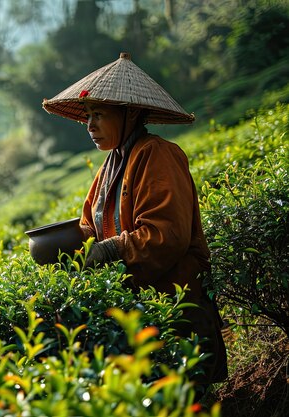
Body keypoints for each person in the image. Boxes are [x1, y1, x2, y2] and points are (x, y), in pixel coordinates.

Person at [42, 52, 228, 387]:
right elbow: (91, 225)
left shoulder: (157, 154)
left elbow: (166, 235)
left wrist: (107, 251)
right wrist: (67, 246)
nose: (90, 125)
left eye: (99, 115)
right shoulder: (109, 165)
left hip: (173, 305)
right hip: (136, 311)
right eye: (87, 116)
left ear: (129, 115)